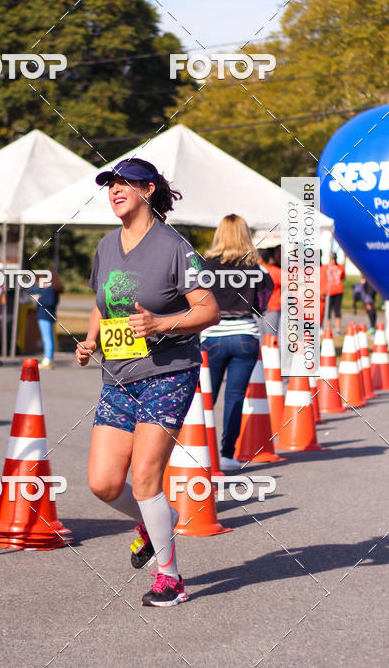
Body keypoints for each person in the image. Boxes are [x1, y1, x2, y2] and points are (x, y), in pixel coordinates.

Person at [76, 157, 220, 608]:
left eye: (125, 184)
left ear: (149, 190)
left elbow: (208, 310)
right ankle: (156, 520)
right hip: (118, 375)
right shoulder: (104, 246)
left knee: (144, 480)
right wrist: (89, 339)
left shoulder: (174, 246)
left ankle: (170, 578)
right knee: (102, 483)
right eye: (110, 185)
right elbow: (103, 302)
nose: (115, 190)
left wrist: (160, 322)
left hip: (168, 373)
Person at [200, 214, 274, 472]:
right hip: (245, 336)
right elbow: (262, 305)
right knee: (235, 398)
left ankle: (200, 450)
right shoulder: (256, 268)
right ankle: (227, 454)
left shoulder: (204, 266)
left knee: (205, 399)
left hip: (211, 337)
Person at [33, 271, 64, 369]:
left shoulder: (51, 289)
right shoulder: (51, 289)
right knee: (48, 338)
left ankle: (48, 359)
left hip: (45, 316)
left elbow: (50, 302)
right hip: (47, 316)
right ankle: (48, 358)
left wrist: (39, 299)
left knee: (47, 339)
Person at [257, 245, 281, 340]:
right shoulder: (253, 271)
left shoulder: (274, 271)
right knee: (260, 338)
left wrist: (282, 298)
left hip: (271, 309)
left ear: (261, 258)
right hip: (257, 310)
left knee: (271, 338)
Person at [321, 252, 346, 335]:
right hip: (329, 291)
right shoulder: (325, 267)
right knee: (329, 310)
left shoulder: (340, 267)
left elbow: (342, 276)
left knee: (335, 310)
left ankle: (336, 328)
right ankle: (329, 328)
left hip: (337, 290)